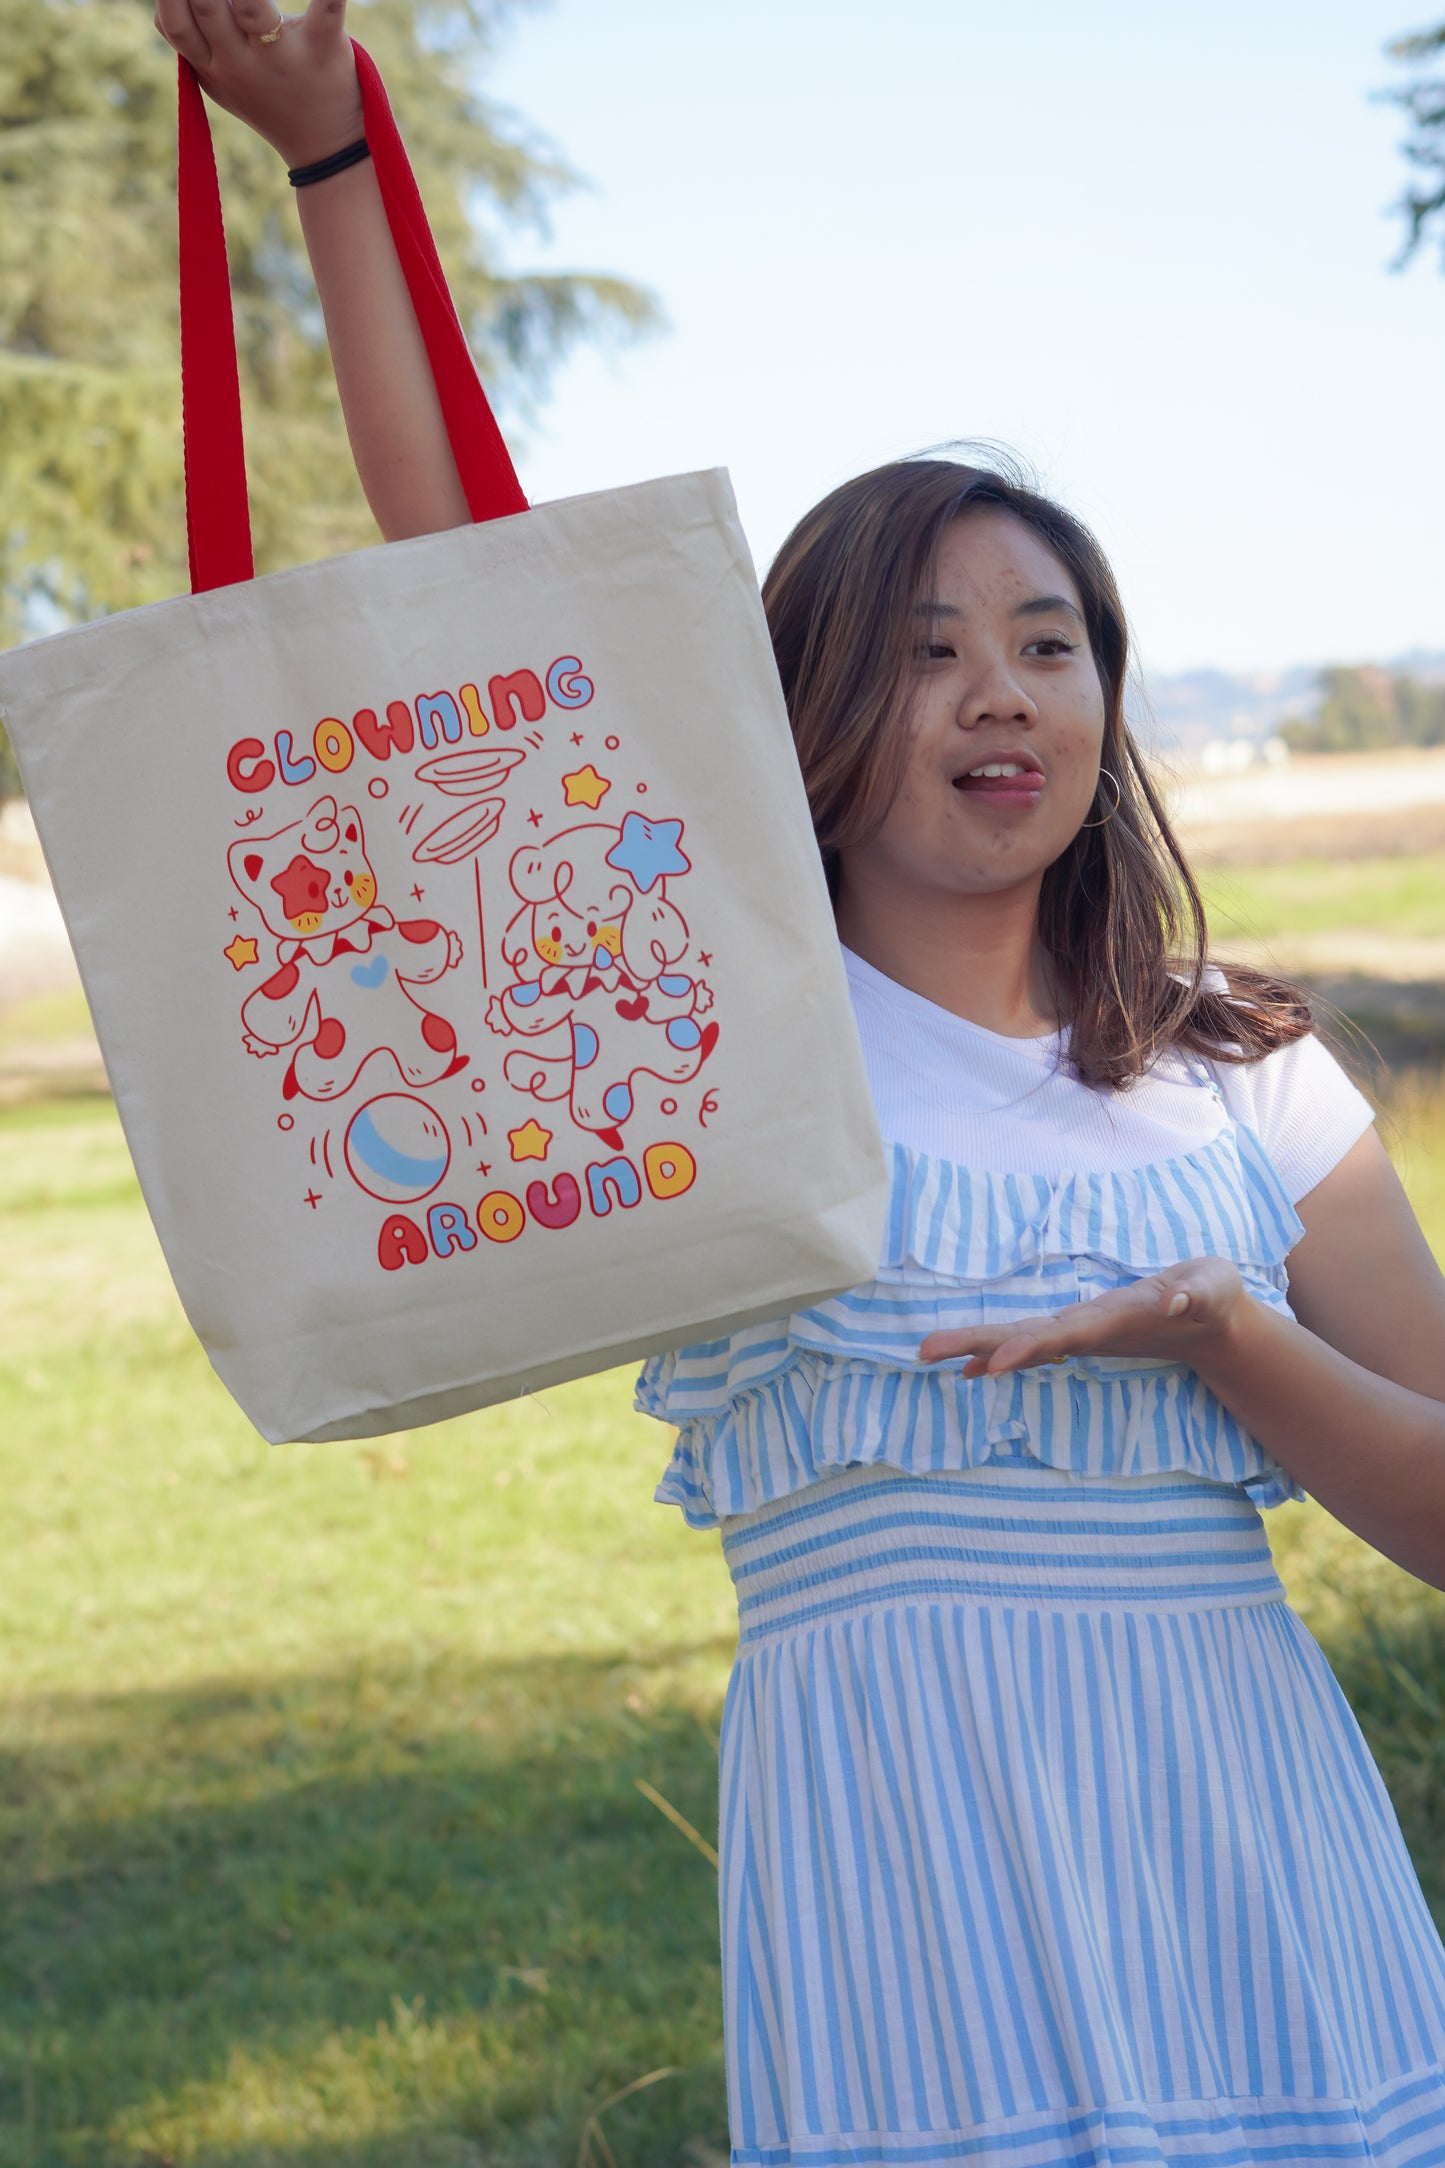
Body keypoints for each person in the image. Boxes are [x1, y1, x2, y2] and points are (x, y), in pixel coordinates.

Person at [156, 6, 1445, 2159]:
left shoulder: (1245, 1074)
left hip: (1261, 1887)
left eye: (1048, 642)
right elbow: (467, 562)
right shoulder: (713, 1034)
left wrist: (1218, 1333)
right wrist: (334, 167)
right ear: (807, 708)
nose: (996, 694)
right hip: (910, 1905)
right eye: (924, 648)